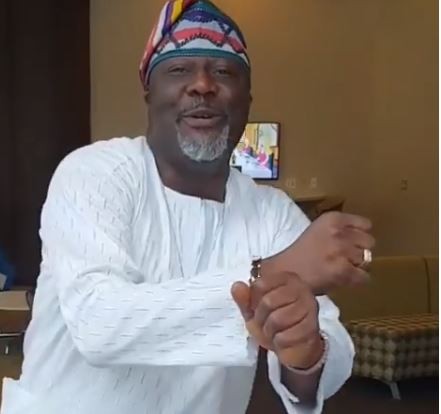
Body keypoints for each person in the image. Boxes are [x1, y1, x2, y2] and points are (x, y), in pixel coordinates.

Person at [0, 1, 375, 413]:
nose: (202, 85)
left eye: (224, 72)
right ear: (149, 93)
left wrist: (305, 354)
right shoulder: (96, 172)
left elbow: (329, 344)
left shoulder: (273, 213)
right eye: (179, 70)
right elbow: (98, 321)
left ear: (247, 99)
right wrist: (268, 272)